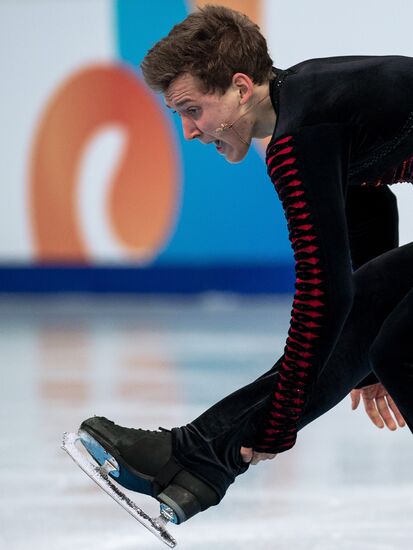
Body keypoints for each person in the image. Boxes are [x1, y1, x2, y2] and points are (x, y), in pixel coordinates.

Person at [79, 5, 412, 525]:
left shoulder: (300, 136)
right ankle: (199, 460)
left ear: (239, 87)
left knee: (399, 346)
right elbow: (370, 207)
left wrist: (279, 422)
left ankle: (197, 457)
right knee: (386, 342)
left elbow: (325, 295)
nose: (189, 132)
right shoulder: (309, 102)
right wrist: (361, 357)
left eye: (192, 110)